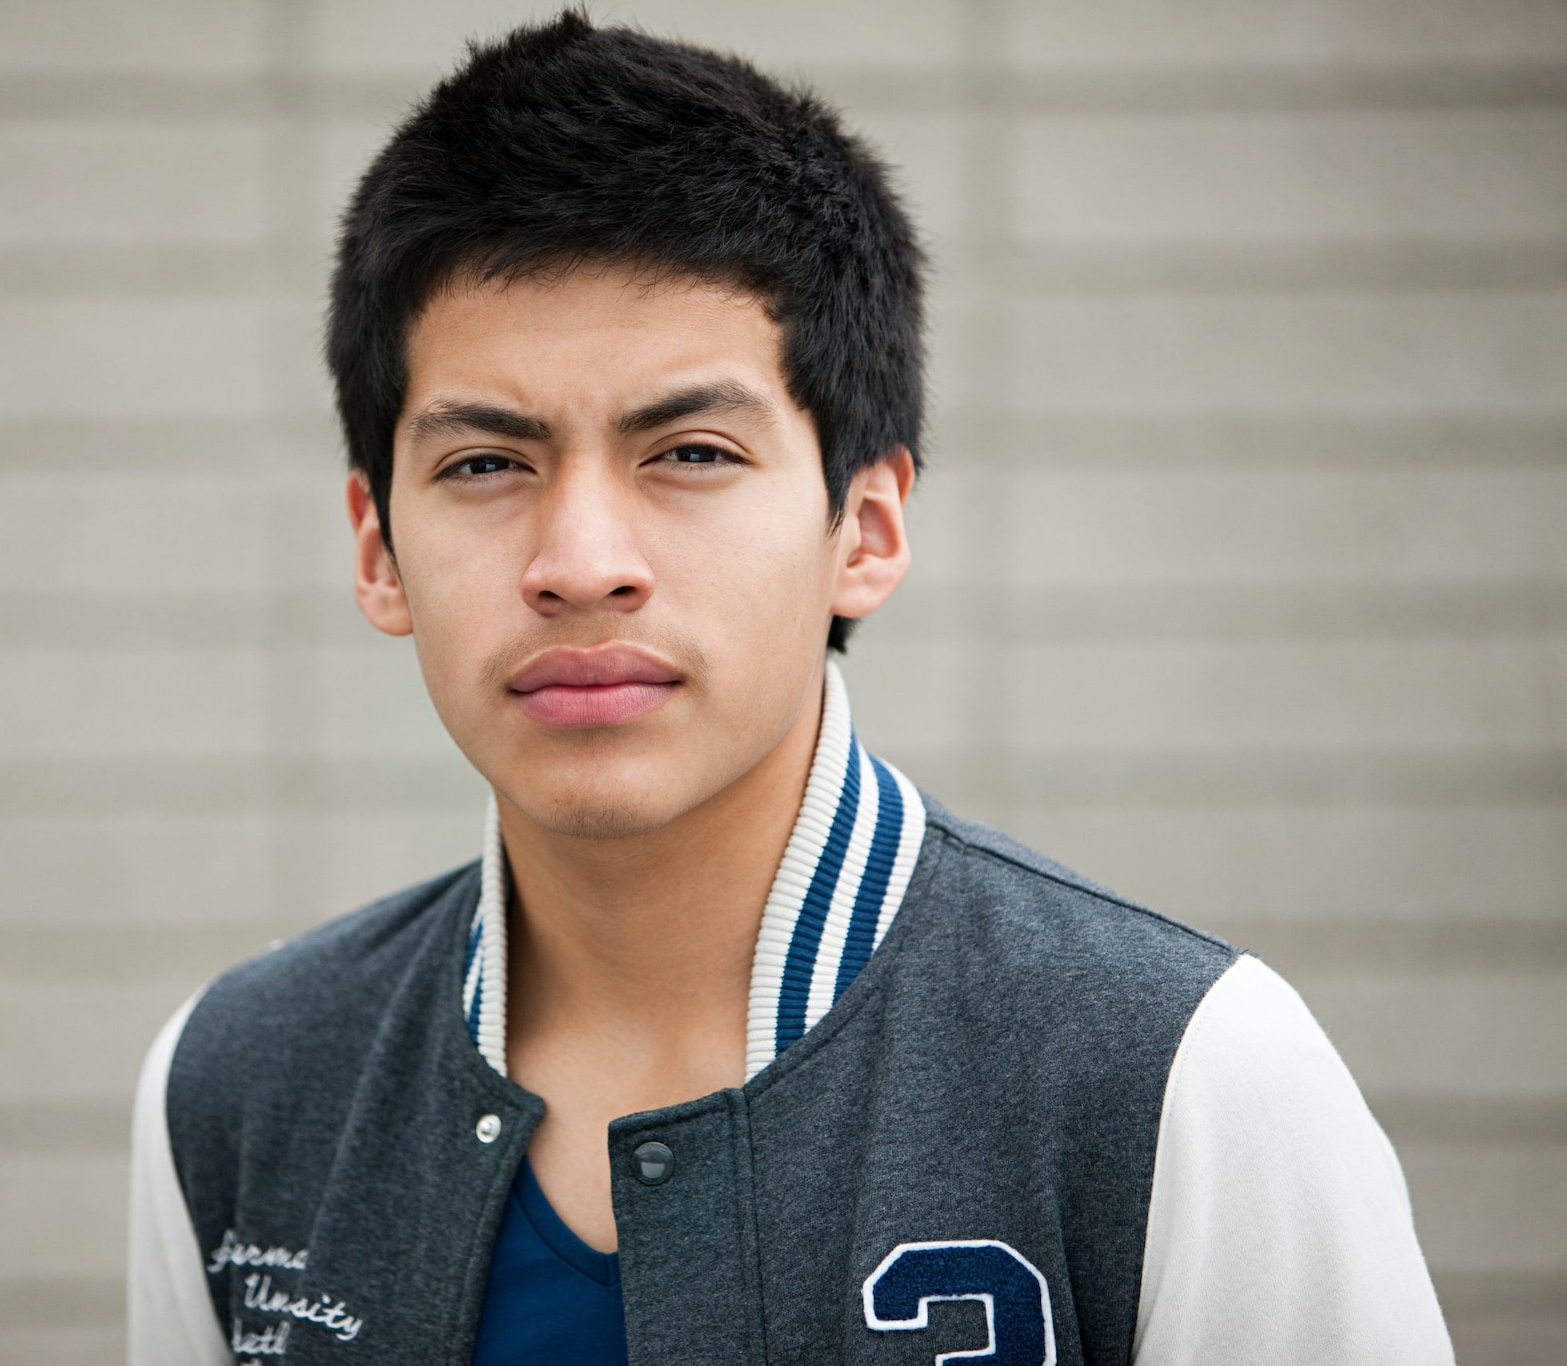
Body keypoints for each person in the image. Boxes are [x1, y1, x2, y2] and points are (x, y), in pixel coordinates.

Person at [129, 12, 1452, 1363]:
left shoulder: (1183, 1071)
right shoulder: (239, 1080)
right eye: (485, 464)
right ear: (377, 546)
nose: (581, 563)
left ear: (865, 528)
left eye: (691, 451)